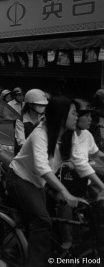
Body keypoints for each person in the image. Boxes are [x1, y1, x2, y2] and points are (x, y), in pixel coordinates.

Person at [6, 96, 80, 267]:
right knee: (42, 221)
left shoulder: (69, 135)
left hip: (39, 183)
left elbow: (82, 161)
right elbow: (42, 168)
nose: (77, 117)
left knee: (47, 220)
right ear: (61, 116)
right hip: (20, 179)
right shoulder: (40, 133)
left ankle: (19, 252)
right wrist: (64, 191)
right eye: (74, 113)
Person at [53, 99, 104, 250]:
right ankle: (66, 243)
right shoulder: (66, 135)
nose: (90, 119)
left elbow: (95, 154)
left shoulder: (87, 134)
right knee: (65, 203)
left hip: (81, 183)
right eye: (86, 115)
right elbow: (81, 163)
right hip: (61, 183)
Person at [14, 89, 48, 156]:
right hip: (24, 157)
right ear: (30, 105)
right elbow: (22, 143)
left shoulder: (43, 119)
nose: (42, 107)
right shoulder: (20, 121)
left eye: (44, 105)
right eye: (39, 105)